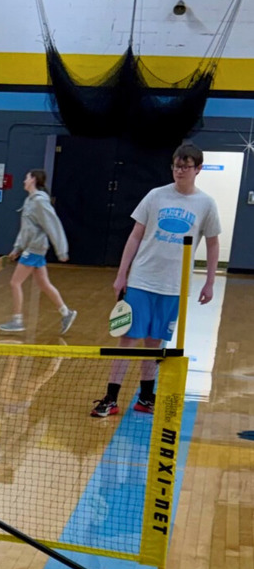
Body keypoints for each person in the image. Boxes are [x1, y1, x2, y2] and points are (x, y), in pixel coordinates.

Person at [91, 142, 220, 417]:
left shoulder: (206, 204)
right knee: (127, 339)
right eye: (176, 166)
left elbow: (212, 244)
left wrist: (210, 281)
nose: (179, 171)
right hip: (141, 280)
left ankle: (146, 398)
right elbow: (135, 235)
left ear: (198, 169)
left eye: (185, 166)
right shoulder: (155, 196)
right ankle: (111, 398)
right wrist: (122, 274)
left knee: (155, 343)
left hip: (174, 286)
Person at [0, 169, 77, 336]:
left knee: (15, 283)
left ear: (33, 179)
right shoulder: (29, 200)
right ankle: (66, 313)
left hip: (35, 248)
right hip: (32, 248)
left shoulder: (40, 202)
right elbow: (26, 229)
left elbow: (53, 225)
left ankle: (17, 321)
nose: (24, 180)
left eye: (26, 177)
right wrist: (17, 248)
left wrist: (61, 250)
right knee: (43, 284)